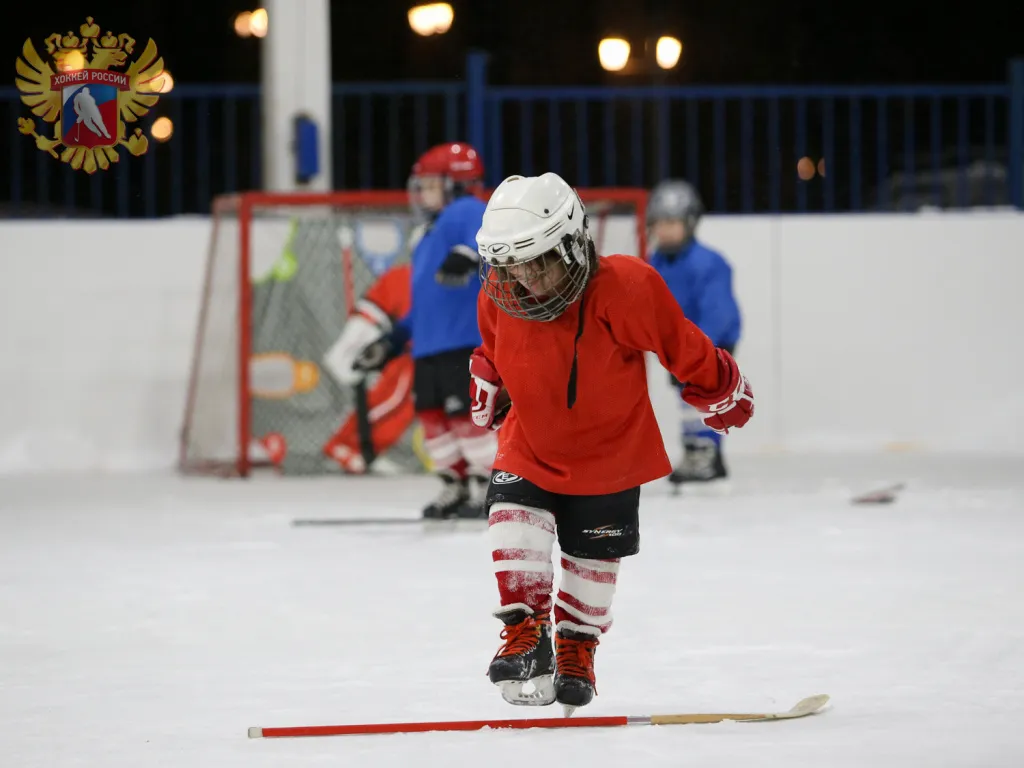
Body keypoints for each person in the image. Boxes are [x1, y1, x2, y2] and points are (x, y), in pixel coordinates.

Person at [469, 172, 755, 714]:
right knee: (512, 520)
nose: (524, 277)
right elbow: (493, 342)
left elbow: (682, 344)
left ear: (573, 245)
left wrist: (720, 383)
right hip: (530, 441)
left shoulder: (625, 286)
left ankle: (577, 646)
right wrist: (487, 371)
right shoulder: (500, 292)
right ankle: (525, 634)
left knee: (593, 560)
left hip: (609, 453)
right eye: (510, 262)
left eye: (537, 259)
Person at [354, 142, 497, 518]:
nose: (422, 193)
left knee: (467, 418)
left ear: (458, 183)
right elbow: (424, 306)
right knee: (435, 421)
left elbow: (487, 234)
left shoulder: (466, 209)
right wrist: (393, 340)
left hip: (462, 341)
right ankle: (455, 484)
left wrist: (469, 253)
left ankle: (486, 485)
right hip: (429, 346)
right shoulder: (427, 236)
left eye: (432, 184)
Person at [647, 179, 742, 489]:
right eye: (660, 223)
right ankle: (695, 451)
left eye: (672, 223)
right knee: (685, 396)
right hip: (683, 346)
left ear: (689, 223)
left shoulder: (708, 263)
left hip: (712, 341)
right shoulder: (657, 262)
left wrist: (697, 352)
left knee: (702, 395)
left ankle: (706, 453)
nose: (665, 230)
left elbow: (718, 312)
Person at [322, 262, 416, 474]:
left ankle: (369, 453)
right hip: (405, 350)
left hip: (420, 350)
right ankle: (341, 443)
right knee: (391, 400)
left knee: (406, 409)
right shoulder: (408, 275)